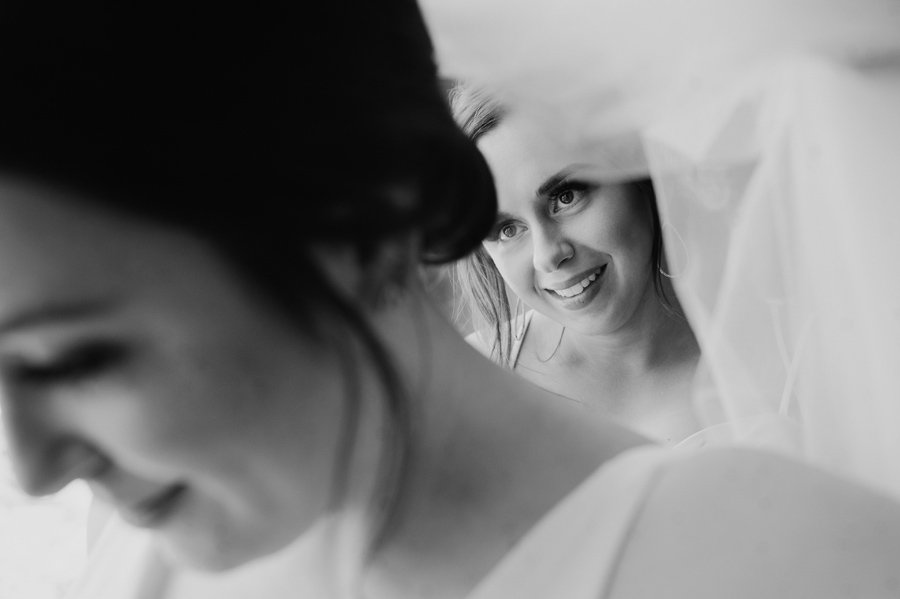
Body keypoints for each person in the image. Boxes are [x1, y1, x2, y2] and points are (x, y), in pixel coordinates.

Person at [0, 2, 899, 599]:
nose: (30, 468)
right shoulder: (153, 574)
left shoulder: (788, 564)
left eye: (74, 357)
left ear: (358, 228)